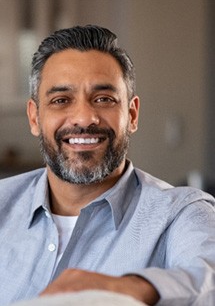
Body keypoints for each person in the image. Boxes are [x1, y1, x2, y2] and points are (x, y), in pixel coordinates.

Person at [0, 25, 215, 306]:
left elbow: (208, 276)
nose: (84, 117)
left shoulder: (181, 214)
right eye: (61, 100)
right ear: (34, 118)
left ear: (132, 115)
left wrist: (131, 288)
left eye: (104, 99)